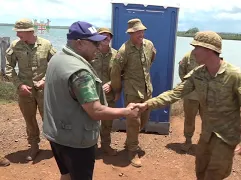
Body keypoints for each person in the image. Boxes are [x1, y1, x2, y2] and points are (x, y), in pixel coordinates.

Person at [137, 31, 241, 180]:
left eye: (197, 48)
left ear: (209, 50)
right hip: (206, 136)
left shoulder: (235, 75)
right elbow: (175, 93)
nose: (194, 52)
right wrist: (147, 105)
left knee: (214, 175)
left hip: (226, 138)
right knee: (200, 171)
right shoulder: (198, 74)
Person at [42, 21, 140, 180]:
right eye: (95, 43)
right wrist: (127, 112)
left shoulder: (58, 58)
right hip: (76, 142)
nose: (99, 47)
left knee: (66, 175)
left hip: (56, 135)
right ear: (79, 43)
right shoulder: (80, 73)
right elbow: (96, 111)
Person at [5, 18, 56, 161]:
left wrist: (46, 80)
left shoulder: (46, 45)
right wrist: (19, 85)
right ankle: (34, 146)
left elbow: (56, 63)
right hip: (24, 91)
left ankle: (56, 146)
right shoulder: (16, 46)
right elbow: (8, 67)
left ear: (30, 31)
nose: (17, 35)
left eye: (19, 32)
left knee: (49, 118)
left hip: (44, 91)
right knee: (30, 120)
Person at [110, 18, 156, 167]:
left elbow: (151, 59)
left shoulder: (149, 45)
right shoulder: (124, 51)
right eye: (137, 32)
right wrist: (117, 89)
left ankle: (130, 140)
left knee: (143, 121)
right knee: (133, 122)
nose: (140, 34)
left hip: (147, 90)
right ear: (130, 33)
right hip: (132, 91)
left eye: (142, 31)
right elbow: (116, 72)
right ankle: (132, 150)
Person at [90, 27, 117, 156]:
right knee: (91, 120)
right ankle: (91, 146)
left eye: (108, 36)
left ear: (111, 38)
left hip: (108, 94)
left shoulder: (116, 55)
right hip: (91, 93)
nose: (106, 38)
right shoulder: (90, 53)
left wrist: (111, 84)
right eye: (102, 36)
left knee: (107, 121)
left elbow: (120, 74)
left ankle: (106, 145)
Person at [178, 51, 202, 152]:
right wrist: (187, 85)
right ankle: (188, 141)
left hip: (207, 96)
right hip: (191, 95)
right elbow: (181, 70)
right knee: (189, 119)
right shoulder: (188, 56)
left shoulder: (211, 56)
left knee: (209, 121)